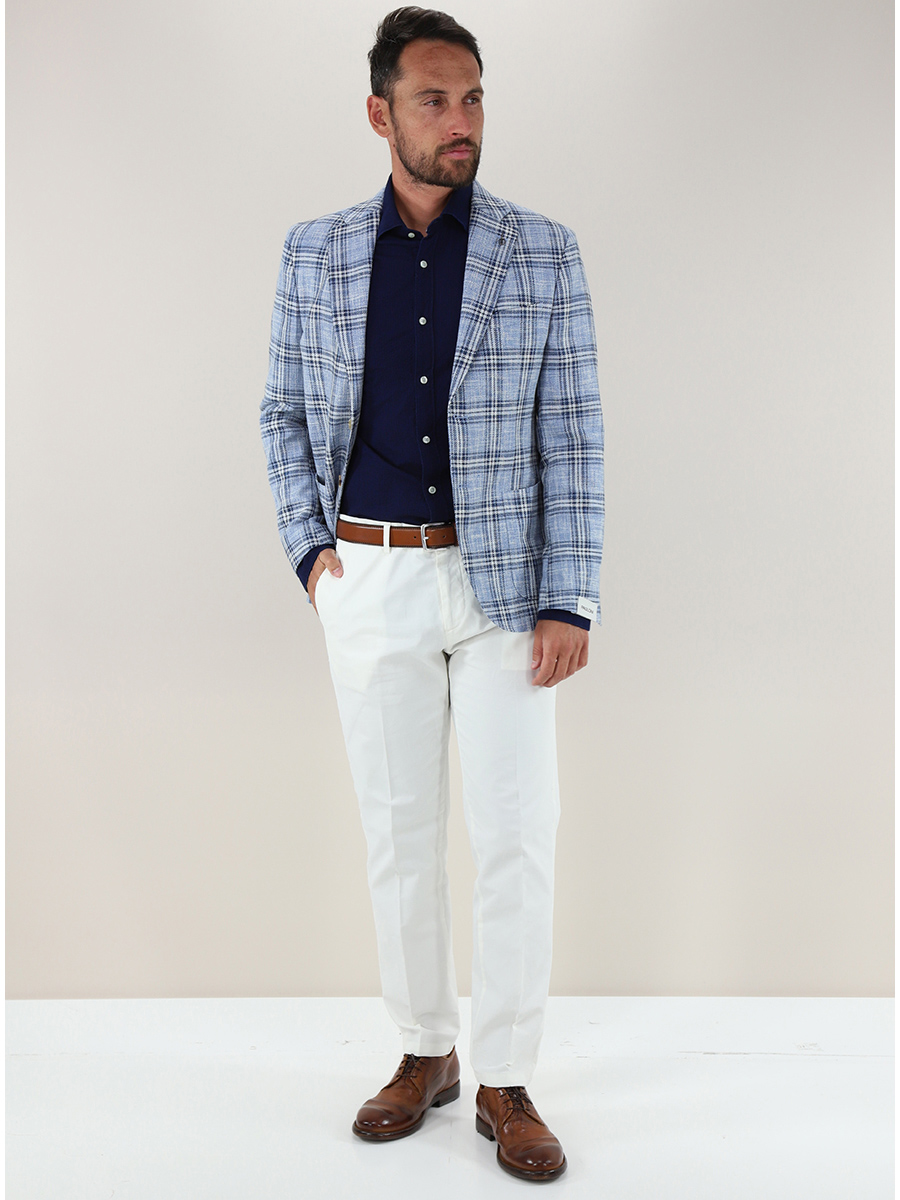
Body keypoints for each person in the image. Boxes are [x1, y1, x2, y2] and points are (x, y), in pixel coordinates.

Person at [260, 6, 604, 1183]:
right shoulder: (314, 251)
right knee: (399, 835)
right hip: (369, 575)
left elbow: (575, 432)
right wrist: (311, 555)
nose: (461, 122)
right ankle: (426, 1051)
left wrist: (571, 598)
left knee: (517, 835)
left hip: (505, 587)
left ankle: (506, 1078)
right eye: (434, 101)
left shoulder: (541, 250)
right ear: (381, 114)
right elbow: (282, 412)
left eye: (473, 99)